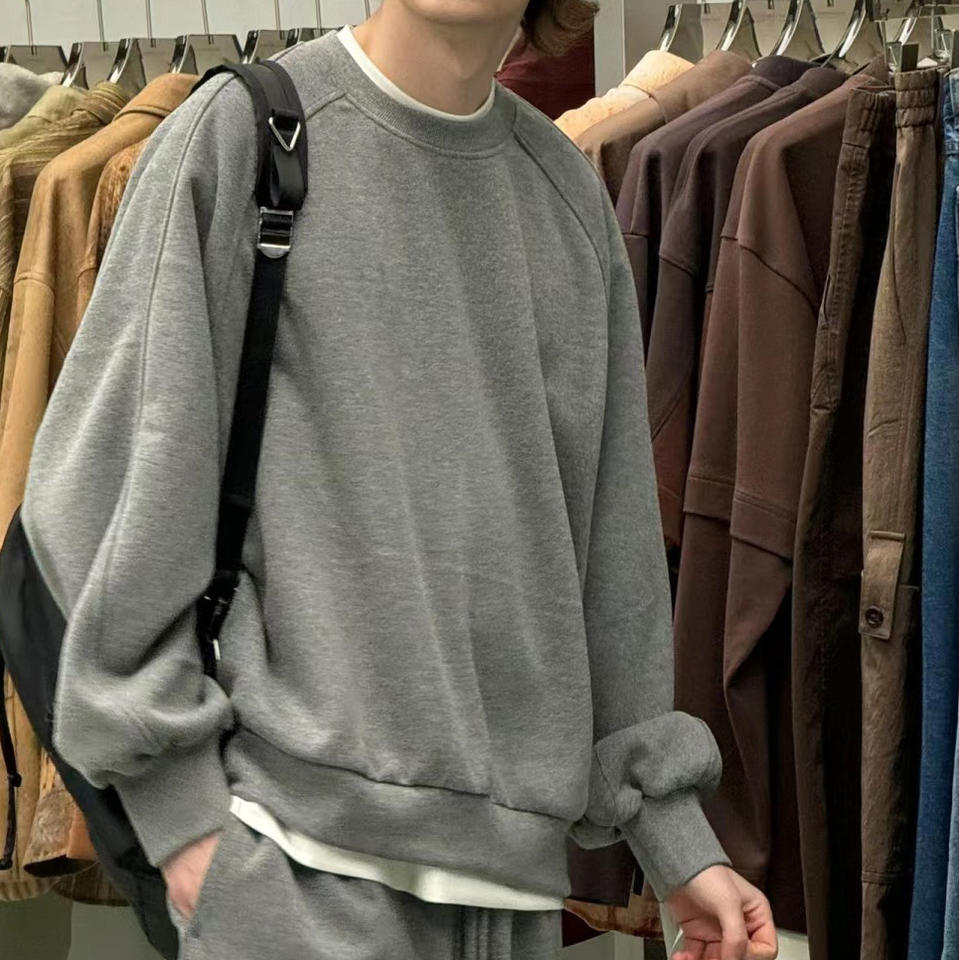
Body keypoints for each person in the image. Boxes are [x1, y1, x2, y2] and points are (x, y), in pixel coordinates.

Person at [20, 2, 778, 958]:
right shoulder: (244, 136)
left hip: (507, 901)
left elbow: (608, 555)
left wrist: (673, 841)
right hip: (290, 874)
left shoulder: (564, 196)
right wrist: (188, 829)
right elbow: (94, 498)